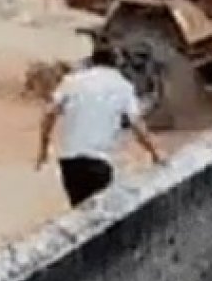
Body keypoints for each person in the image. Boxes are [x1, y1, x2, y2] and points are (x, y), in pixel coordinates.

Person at [35, 50, 166, 207]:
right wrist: (154, 153)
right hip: (100, 159)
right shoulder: (123, 86)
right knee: (100, 210)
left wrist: (43, 150)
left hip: (70, 160)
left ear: (92, 62)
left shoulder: (71, 81)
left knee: (79, 208)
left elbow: (49, 115)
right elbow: (137, 125)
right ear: (117, 64)